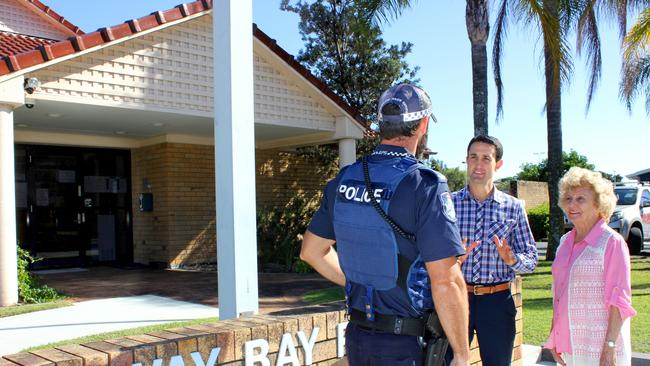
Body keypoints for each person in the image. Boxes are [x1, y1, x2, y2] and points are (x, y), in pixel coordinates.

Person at [300, 83, 471, 365]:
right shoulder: (425, 184)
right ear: (423, 125)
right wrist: (462, 356)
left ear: (381, 125)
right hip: (404, 345)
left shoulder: (345, 179)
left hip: (357, 340)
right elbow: (446, 280)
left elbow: (312, 251)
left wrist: (362, 279)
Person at [451, 135, 538, 365]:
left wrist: (511, 259)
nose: (478, 164)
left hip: (498, 302)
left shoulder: (514, 207)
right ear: (466, 160)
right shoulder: (448, 204)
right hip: (455, 297)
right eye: (473, 157)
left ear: (498, 164)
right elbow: (429, 254)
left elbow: (531, 258)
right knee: (446, 361)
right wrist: (453, 260)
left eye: (486, 158)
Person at [544, 167, 636, 366]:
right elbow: (559, 294)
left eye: (580, 199)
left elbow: (618, 300)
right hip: (571, 346)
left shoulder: (611, 242)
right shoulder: (564, 242)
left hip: (601, 346)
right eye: (568, 198)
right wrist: (554, 336)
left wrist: (609, 348)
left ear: (598, 204)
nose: (572, 204)